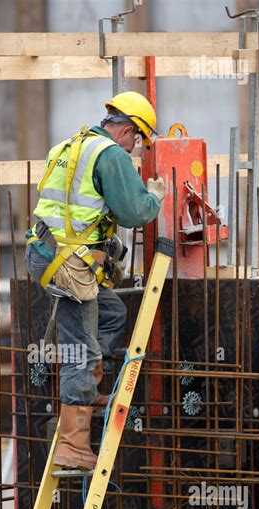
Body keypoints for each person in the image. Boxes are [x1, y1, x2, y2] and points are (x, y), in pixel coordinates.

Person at [24, 91, 166, 470]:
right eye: (137, 139)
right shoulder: (110, 155)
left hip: (46, 252)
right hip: (69, 265)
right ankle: (73, 445)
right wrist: (153, 197)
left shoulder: (71, 145)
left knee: (112, 313)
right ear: (127, 130)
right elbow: (135, 211)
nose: (135, 147)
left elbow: (71, 207)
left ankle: (87, 393)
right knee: (79, 351)